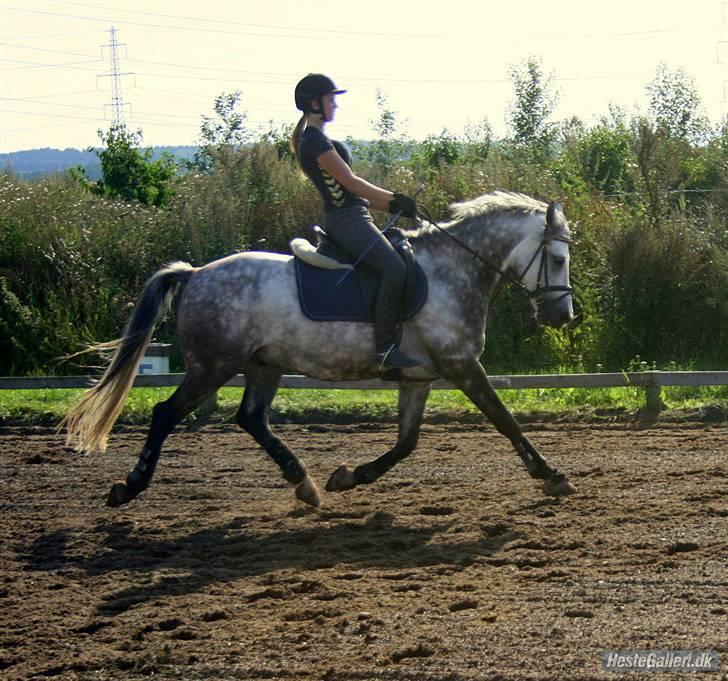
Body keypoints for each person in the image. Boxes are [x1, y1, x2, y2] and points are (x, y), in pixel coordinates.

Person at [290, 73, 421, 370]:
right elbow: (350, 182)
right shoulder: (314, 140)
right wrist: (394, 196)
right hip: (346, 221)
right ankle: (385, 348)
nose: (335, 104)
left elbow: (357, 195)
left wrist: (394, 205)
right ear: (315, 103)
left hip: (354, 215)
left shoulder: (318, 138)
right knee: (394, 268)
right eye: (330, 99)